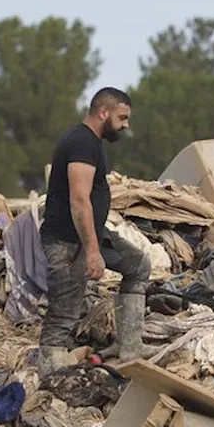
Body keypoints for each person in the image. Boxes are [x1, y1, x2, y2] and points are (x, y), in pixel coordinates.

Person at [36, 87, 151, 373]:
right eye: (122, 117)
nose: (125, 125)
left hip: (90, 236)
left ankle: (130, 347)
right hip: (67, 242)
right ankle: (50, 370)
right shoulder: (82, 143)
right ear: (103, 112)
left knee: (138, 265)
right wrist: (92, 252)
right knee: (64, 311)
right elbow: (79, 199)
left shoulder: (90, 142)